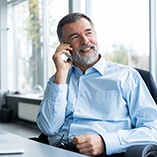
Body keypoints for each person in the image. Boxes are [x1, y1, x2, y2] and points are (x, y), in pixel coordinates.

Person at [36, 12, 157, 157]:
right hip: (57, 152)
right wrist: (61, 74)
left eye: (89, 33)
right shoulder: (58, 80)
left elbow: (153, 129)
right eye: (75, 37)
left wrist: (106, 142)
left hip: (105, 154)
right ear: (64, 47)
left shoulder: (126, 76)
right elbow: (49, 128)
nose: (85, 40)